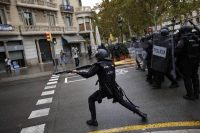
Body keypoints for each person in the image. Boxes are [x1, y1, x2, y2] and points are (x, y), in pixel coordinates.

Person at [72, 49, 147, 126]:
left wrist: (77, 72)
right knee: (123, 101)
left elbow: (88, 74)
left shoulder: (98, 65)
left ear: (99, 56)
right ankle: (140, 113)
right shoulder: (110, 63)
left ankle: (93, 120)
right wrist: (83, 68)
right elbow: (94, 67)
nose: (96, 58)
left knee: (91, 99)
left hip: (105, 89)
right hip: (114, 87)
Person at [176, 25, 200, 100]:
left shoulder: (183, 39)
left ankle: (190, 95)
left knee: (187, 77)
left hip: (186, 61)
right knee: (195, 76)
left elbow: (177, 50)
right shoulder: (196, 37)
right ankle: (196, 93)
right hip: (196, 60)